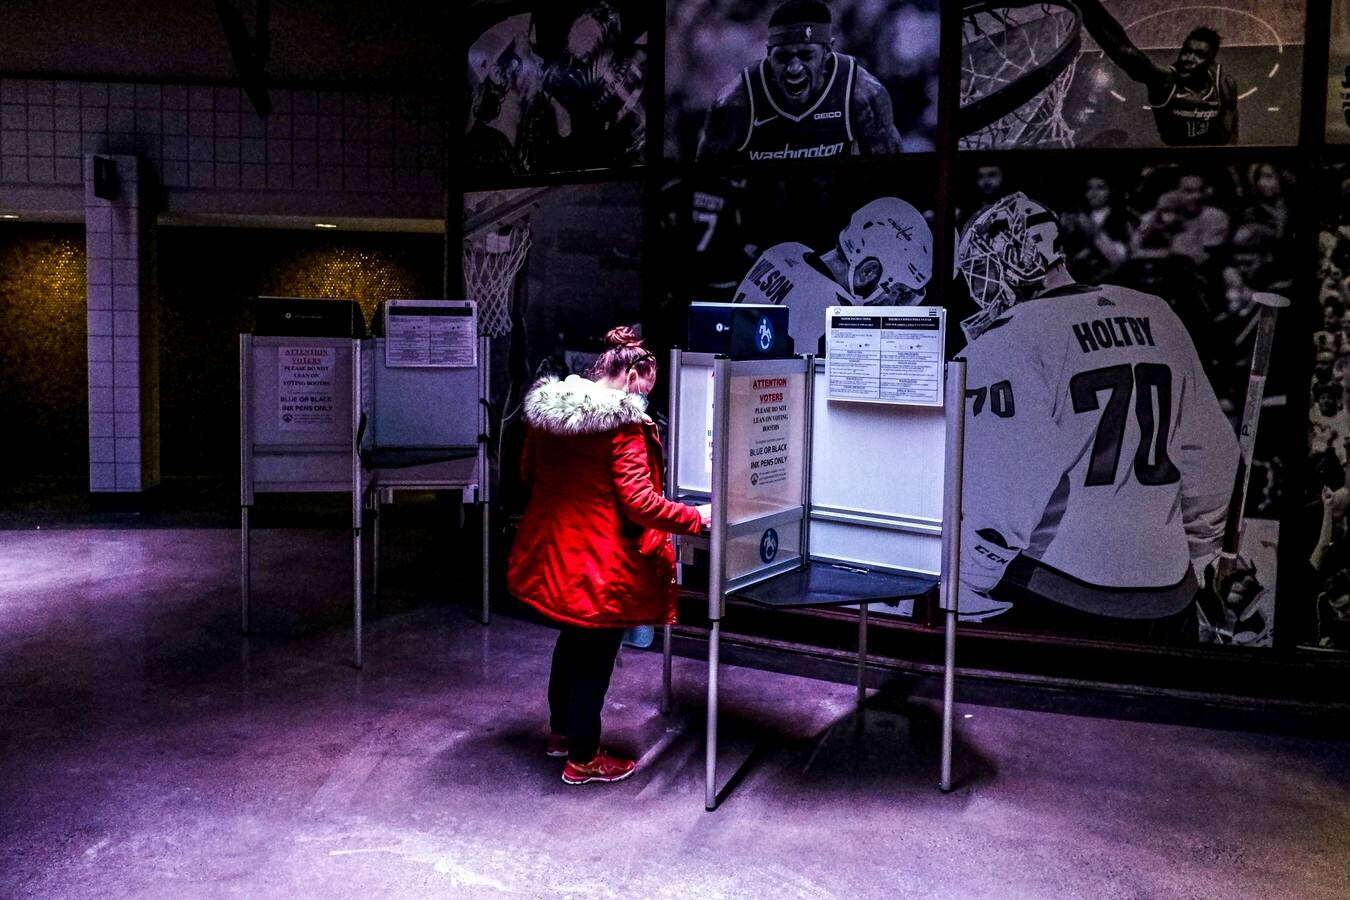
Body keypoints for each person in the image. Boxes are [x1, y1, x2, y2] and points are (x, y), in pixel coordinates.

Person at [954, 192, 1245, 641]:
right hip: (1170, 592)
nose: (982, 289)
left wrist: (968, 578)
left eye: (986, 271)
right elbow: (1213, 453)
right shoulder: (1155, 311)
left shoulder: (1008, 339)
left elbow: (1007, 485)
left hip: (1062, 594)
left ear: (1019, 259)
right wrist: (1202, 552)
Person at [508, 327, 710, 785]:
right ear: (633, 374)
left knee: (571, 646)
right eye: (647, 384)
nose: (646, 397)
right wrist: (697, 517)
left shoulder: (547, 415)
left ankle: (562, 733)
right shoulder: (623, 428)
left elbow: (528, 473)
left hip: (556, 552)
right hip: (600, 563)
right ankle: (583, 758)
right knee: (594, 662)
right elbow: (640, 503)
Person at [696, 0, 903, 163]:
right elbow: (707, 184)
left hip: (840, 214)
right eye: (783, 57)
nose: (794, 69)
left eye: (806, 55)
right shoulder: (734, 103)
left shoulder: (863, 94)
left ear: (828, 51)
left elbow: (889, 176)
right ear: (768, 53)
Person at [732, 195, 932, 355]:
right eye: (898, 291)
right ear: (868, 272)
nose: (893, 302)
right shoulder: (840, 317)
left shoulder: (786, 250)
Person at [1075, 0, 1238, 146]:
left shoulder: (1223, 84)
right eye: (1186, 51)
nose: (1189, 59)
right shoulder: (1165, 81)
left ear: (1211, 61)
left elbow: (1231, 125)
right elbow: (1123, 50)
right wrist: (1087, 4)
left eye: (1199, 55)